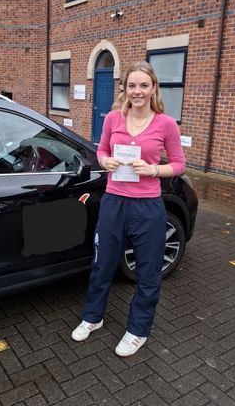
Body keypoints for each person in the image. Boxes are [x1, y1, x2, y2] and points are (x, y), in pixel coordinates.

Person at [72, 62, 186, 357]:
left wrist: (153, 169)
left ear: (153, 89)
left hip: (148, 206)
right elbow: (102, 149)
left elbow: (179, 164)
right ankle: (93, 317)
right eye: (132, 85)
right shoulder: (112, 118)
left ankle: (138, 331)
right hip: (114, 201)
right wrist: (104, 160)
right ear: (125, 89)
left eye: (143, 85)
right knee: (103, 264)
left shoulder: (166, 124)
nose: (137, 91)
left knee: (148, 271)